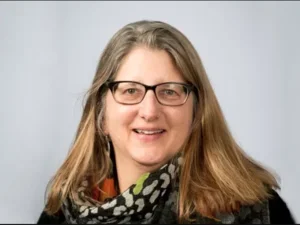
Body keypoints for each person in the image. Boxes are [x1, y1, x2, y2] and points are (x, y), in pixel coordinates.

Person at [37, 20, 295, 224]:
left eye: (169, 91)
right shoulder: (63, 212)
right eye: (130, 91)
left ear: (197, 112)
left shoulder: (259, 210)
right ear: (101, 114)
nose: (149, 111)